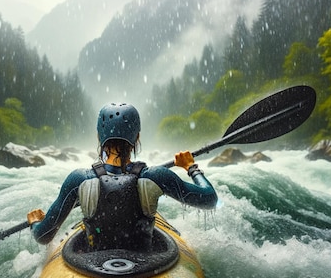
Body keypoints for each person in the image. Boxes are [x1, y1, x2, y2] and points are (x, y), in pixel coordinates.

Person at [27, 102, 217, 252]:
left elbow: (44, 236)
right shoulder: (156, 177)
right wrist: (191, 168)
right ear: (137, 138)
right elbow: (209, 199)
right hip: (145, 264)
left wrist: (36, 223)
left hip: (94, 264)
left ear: (99, 138)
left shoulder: (78, 180)